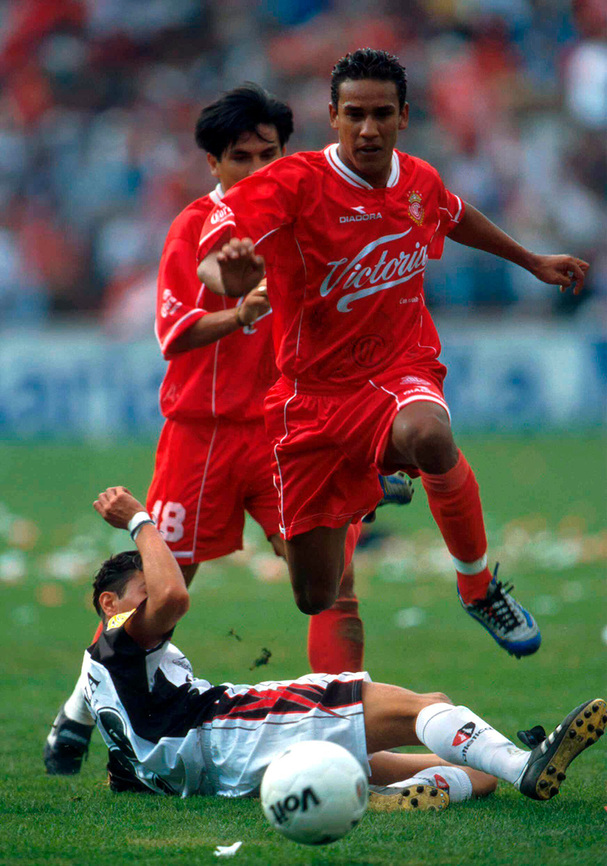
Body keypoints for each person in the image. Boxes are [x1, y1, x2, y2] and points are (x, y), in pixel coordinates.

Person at [43, 82, 412, 777]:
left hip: (283, 435)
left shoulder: (311, 222)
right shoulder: (194, 227)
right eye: (239, 157)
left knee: (333, 582)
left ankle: (352, 736)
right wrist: (241, 311)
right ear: (213, 163)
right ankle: (80, 712)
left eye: (268, 153)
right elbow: (174, 332)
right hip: (202, 436)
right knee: (155, 594)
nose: (256, 168)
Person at [197, 48, 590, 660]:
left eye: (383, 113)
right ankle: (368, 479)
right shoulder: (294, 183)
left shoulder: (417, 180)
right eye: (355, 114)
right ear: (332, 116)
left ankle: (478, 586)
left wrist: (532, 259)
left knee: (430, 437)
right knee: (314, 595)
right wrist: (232, 276)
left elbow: (453, 215)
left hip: (397, 370)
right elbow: (215, 257)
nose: (369, 128)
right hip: (310, 400)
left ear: (404, 116)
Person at [82, 486, 604, 808]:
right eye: (140, 592)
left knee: (476, 774)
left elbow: (123, 765)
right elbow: (174, 596)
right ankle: (525, 766)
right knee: (431, 707)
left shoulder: (97, 673)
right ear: (111, 603)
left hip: (231, 771)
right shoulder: (119, 635)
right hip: (239, 732)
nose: (152, 600)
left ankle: (398, 798)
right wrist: (140, 520)